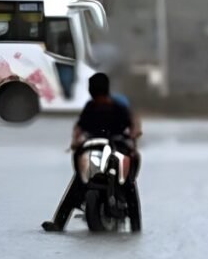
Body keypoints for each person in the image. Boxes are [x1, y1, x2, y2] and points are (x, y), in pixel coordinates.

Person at [41, 73, 142, 232]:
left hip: (117, 146)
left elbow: (133, 123)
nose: (99, 100)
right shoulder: (90, 107)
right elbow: (79, 126)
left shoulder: (119, 108)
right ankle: (59, 223)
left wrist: (134, 134)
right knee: (79, 180)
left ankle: (136, 225)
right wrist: (75, 141)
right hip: (94, 146)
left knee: (128, 182)